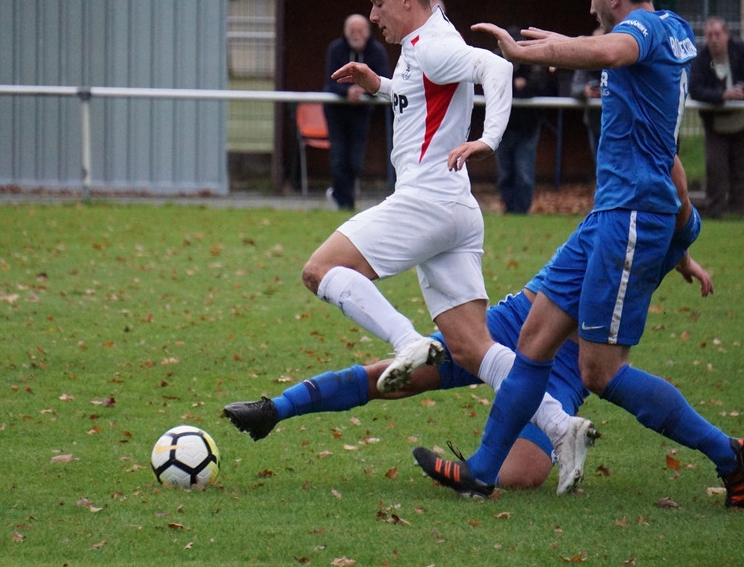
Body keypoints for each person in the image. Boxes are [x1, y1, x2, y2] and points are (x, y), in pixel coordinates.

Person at [415, 0, 744, 509]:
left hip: (628, 222)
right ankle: (480, 471)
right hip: (610, 220)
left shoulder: (642, 33)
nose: (590, 5)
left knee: (599, 369)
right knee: (534, 339)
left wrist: (534, 50)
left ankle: (729, 452)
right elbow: (665, 152)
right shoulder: (672, 28)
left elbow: (614, 47)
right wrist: (682, 247)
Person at [227, 157, 712, 493]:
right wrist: (685, 258)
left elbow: (676, 218)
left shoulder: (663, 224)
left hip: (568, 368)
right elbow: (673, 207)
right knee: (396, 377)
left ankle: (508, 454)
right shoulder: (624, 215)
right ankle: (276, 410)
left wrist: (683, 259)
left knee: (522, 477)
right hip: (515, 323)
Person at [301, 0, 596, 484]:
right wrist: (381, 86)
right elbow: (426, 95)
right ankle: (559, 425)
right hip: (456, 209)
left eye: (378, 3)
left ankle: (404, 341)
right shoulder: (426, 41)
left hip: (427, 201)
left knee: (319, 271)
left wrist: (488, 138)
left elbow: (497, 66)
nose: (373, 16)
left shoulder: (434, 43)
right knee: (472, 347)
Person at [689, 16, 744, 219]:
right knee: (716, 171)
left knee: (742, 171)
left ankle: (738, 212)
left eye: (718, 34)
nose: (713, 39)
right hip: (716, 126)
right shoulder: (701, 59)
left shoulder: (743, 51)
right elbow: (695, 90)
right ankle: (716, 214)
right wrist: (722, 96)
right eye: (709, 35)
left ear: (727, 35)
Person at [322, 14, 391, 210]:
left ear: (368, 32)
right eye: (352, 31)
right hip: (336, 111)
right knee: (338, 157)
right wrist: (348, 91)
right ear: (345, 33)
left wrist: (364, 90)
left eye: (360, 30)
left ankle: (341, 196)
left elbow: (382, 80)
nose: (356, 35)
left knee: (355, 160)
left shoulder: (376, 51)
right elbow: (330, 82)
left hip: (361, 112)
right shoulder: (336, 49)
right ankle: (345, 204)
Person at [496, 29, 557, 214]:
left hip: (528, 126)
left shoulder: (533, 61)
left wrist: (516, 87)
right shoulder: (497, 60)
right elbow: (491, 85)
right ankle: (508, 208)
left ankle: (522, 211)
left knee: (524, 173)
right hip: (502, 126)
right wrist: (515, 84)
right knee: (505, 172)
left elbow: (542, 87)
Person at [570, 27, 605, 165]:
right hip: (594, 123)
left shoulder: (620, 60)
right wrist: (586, 91)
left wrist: (608, 92)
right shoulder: (586, 62)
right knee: (600, 168)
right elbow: (574, 89)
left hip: (619, 126)